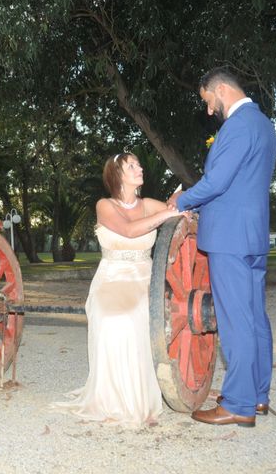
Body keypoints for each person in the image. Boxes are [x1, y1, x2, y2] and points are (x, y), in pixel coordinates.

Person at [168, 67, 276, 427]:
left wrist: (181, 201)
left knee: (235, 320)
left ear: (223, 90)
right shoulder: (263, 124)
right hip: (253, 235)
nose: (209, 110)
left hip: (230, 237)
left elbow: (217, 182)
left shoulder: (238, 125)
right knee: (255, 316)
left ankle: (239, 404)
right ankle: (257, 394)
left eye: (208, 101)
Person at [50, 152, 186, 429]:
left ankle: (140, 401)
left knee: (136, 316)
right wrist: (168, 213)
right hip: (111, 279)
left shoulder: (148, 203)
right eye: (132, 166)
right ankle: (112, 401)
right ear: (117, 175)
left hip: (145, 279)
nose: (140, 168)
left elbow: (180, 210)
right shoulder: (105, 205)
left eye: (139, 163)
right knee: (112, 320)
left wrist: (176, 201)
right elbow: (130, 230)